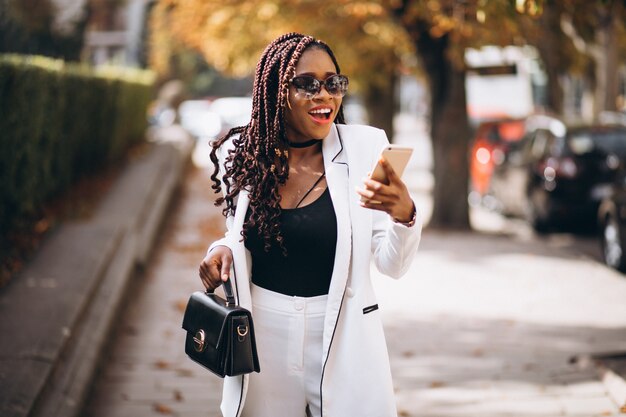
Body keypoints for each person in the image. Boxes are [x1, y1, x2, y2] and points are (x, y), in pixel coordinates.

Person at [199, 33, 421, 417]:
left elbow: (393, 265)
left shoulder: (365, 149)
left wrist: (404, 216)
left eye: (333, 83)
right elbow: (242, 234)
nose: (325, 95)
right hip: (263, 335)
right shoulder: (252, 156)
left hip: (342, 335)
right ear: (276, 91)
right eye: (307, 84)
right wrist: (221, 250)